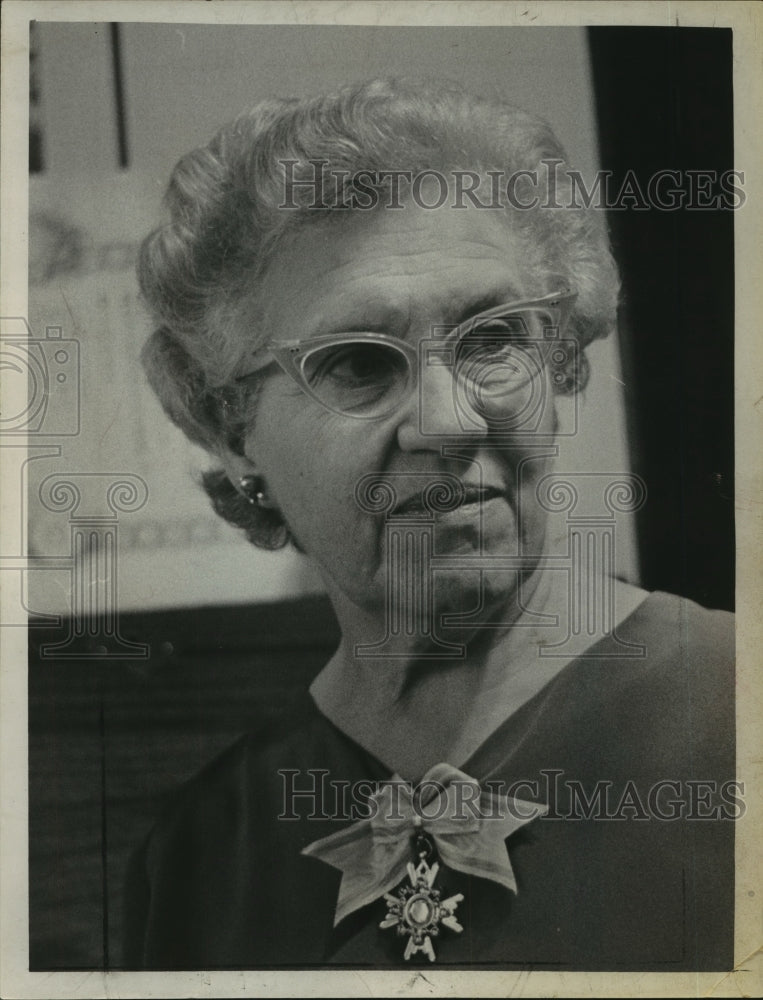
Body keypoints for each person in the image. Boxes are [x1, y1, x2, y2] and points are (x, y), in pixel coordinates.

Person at [124, 78, 735, 970]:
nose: (450, 422)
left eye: (493, 340)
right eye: (359, 363)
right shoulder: (199, 858)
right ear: (229, 428)